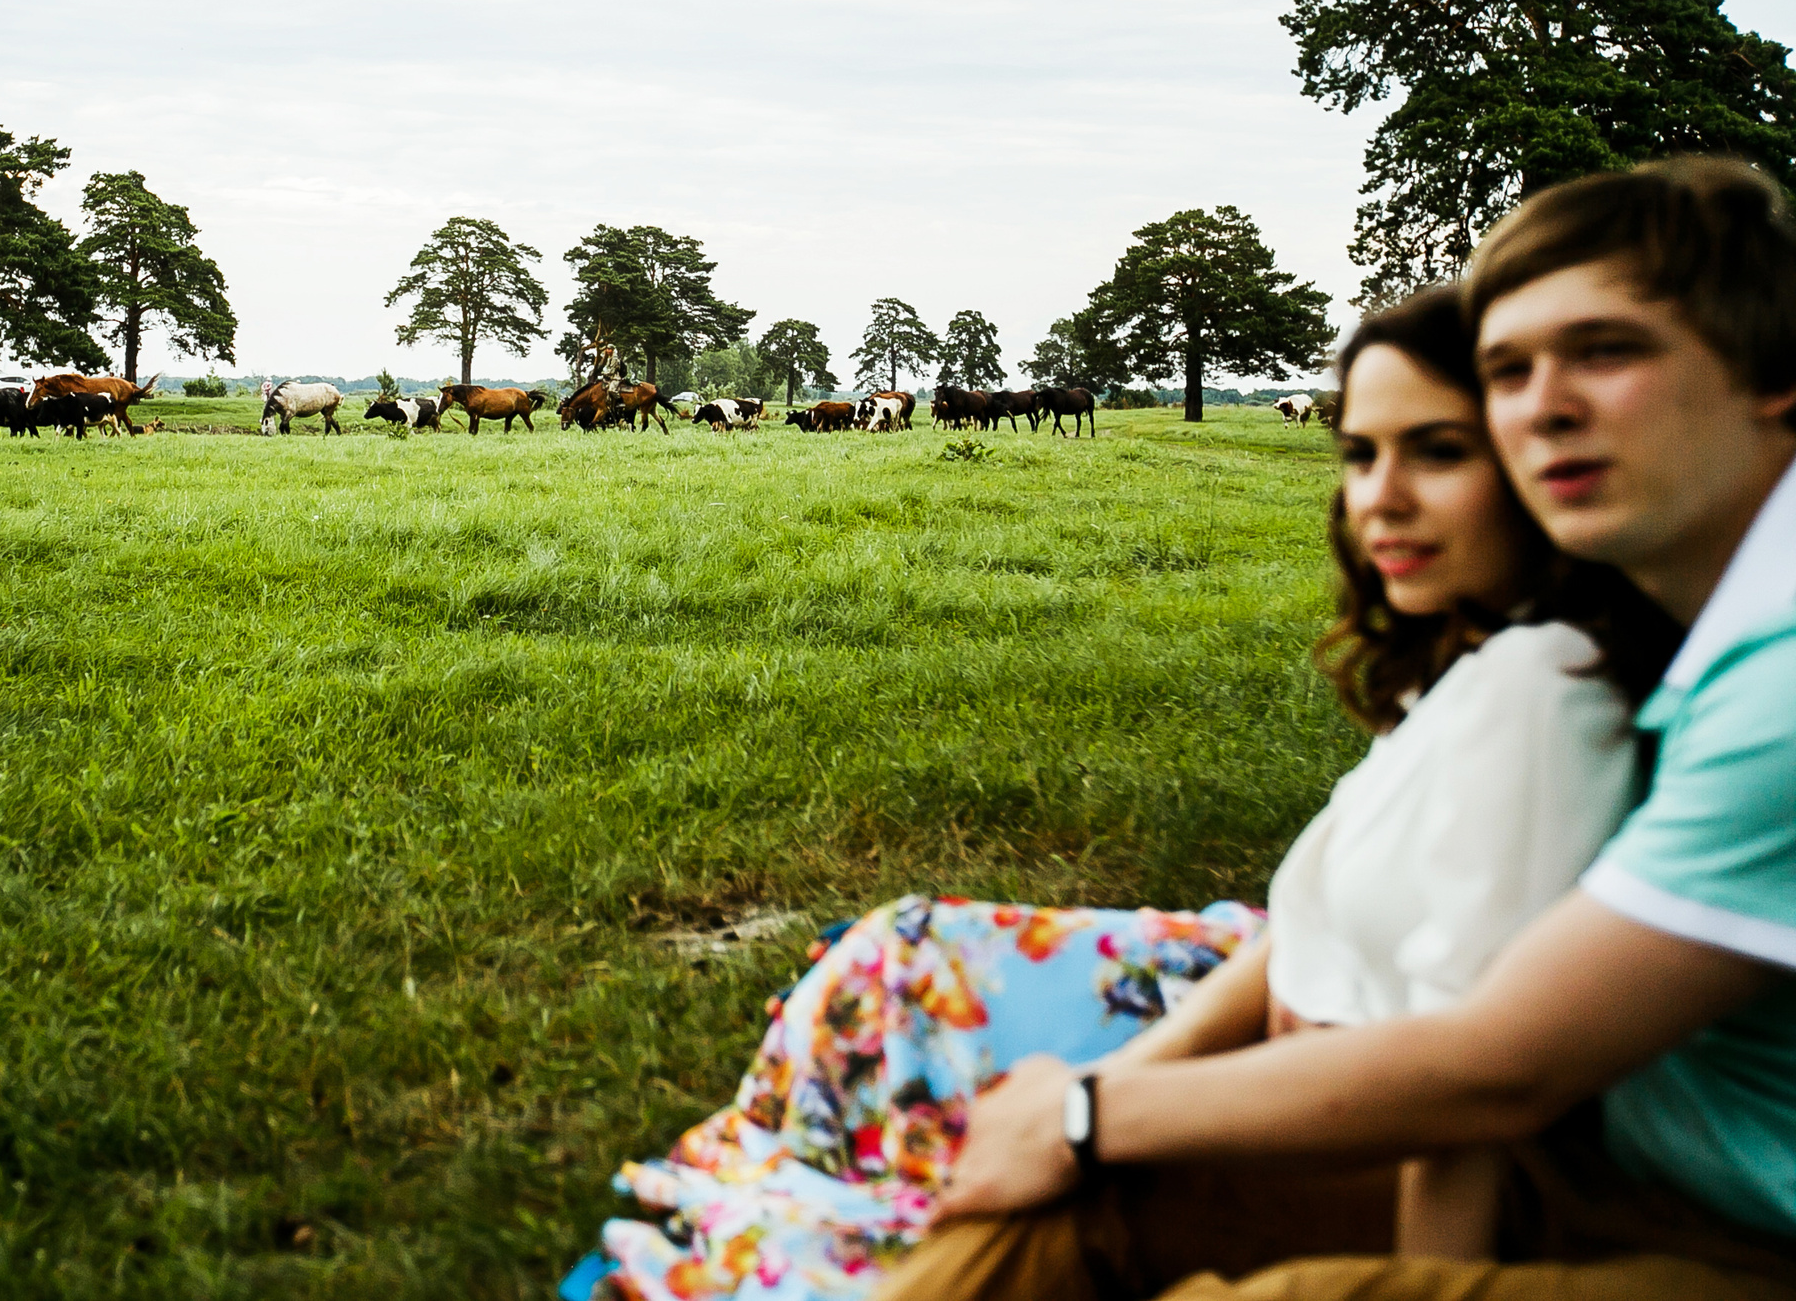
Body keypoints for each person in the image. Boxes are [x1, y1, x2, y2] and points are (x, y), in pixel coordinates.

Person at [572, 288, 1672, 1301]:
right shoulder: (1461, 668)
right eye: (1358, 450)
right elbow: (1310, 931)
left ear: (1532, 462)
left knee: (931, 1050)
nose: (1377, 495)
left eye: (1437, 450)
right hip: (1286, 1044)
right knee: (903, 958)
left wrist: (1093, 1113)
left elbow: (1467, 1091)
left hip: (1344, 1108)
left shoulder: (1537, 687)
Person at [898, 156, 1796, 1301]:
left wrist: (1082, 1106)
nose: (1543, 406)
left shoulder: (1759, 671)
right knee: (1048, 1229)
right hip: (1612, 1159)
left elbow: (1494, 1069)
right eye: (1507, 370)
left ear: (1771, 372)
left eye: (1607, 349)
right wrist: (1103, 1107)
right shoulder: (1669, 632)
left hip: (1728, 1229)